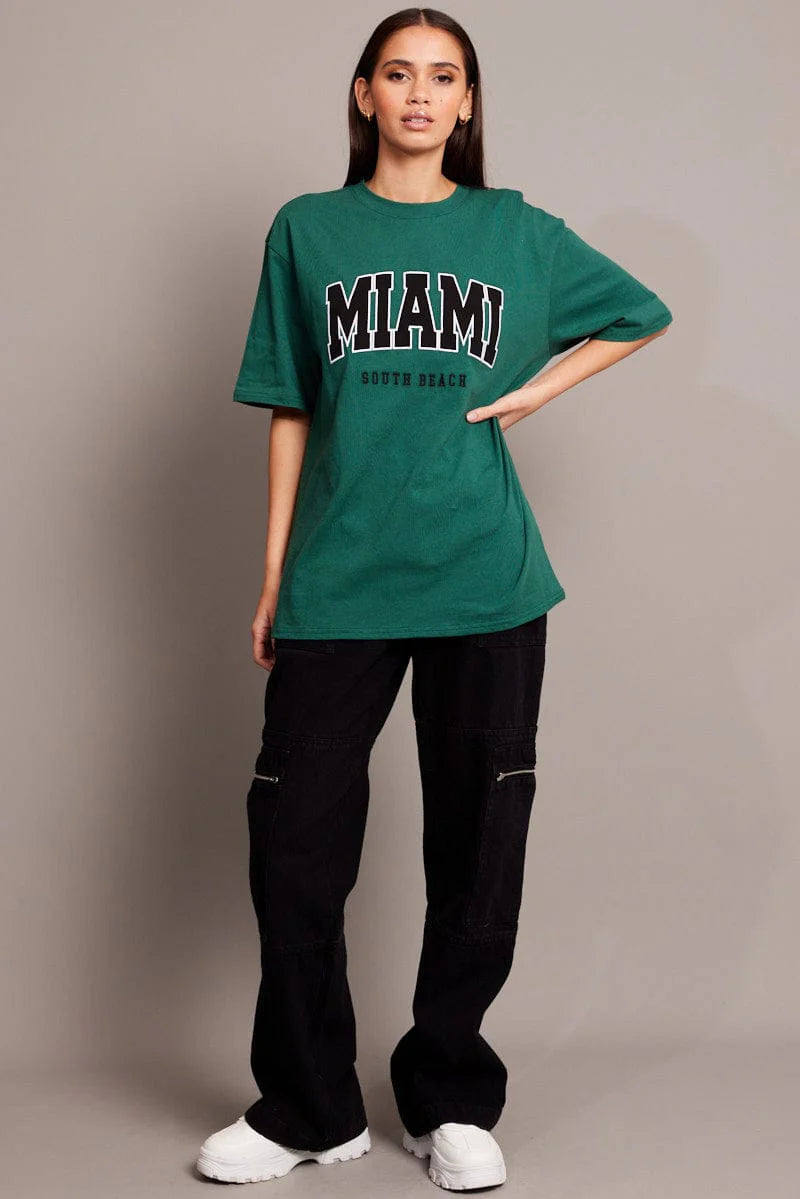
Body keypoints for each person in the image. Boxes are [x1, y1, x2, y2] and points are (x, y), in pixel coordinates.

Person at [196, 6, 672, 1190]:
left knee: (477, 846)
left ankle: (449, 1093)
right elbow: (290, 404)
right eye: (397, 73)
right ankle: (308, 1105)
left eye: (442, 76)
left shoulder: (512, 231)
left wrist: (538, 390)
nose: (419, 93)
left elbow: (638, 312)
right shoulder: (308, 229)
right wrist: (274, 573)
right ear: (363, 94)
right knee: (294, 847)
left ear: (465, 103)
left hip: (484, 579)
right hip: (338, 578)